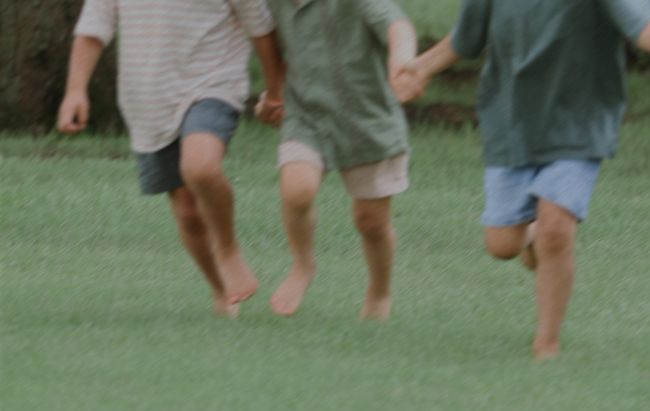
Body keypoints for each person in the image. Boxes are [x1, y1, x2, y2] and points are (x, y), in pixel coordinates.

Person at [394, 0, 650, 359]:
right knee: (502, 245)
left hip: (580, 123)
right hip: (511, 123)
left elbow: (638, 19)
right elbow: (467, 37)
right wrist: (422, 68)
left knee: (556, 230)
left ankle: (546, 344)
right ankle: (533, 235)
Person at [57, 0, 284, 317]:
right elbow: (94, 28)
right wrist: (75, 91)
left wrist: (275, 92)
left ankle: (227, 249)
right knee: (188, 213)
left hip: (213, 83)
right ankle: (221, 290)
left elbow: (261, 27)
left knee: (200, 167)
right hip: (149, 99)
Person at [255, 0, 417, 321]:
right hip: (306, 116)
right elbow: (263, 40)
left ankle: (379, 291)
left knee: (371, 222)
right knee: (296, 190)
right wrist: (271, 96)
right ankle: (303, 265)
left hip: (368, 121)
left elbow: (396, 25)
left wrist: (402, 60)